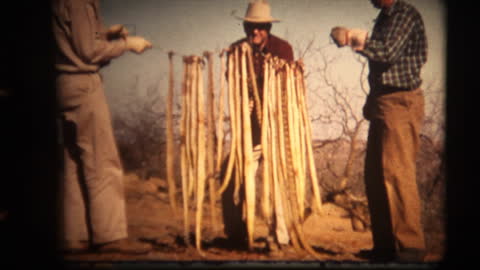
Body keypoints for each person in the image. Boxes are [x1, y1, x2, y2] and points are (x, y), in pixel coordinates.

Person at [52, 0, 153, 254]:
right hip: (82, 82)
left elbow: (76, 39)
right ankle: (110, 236)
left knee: (73, 162)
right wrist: (127, 45)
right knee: (102, 162)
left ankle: (74, 235)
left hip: (61, 82)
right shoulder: (79, 3)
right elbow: (89, 51)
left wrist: (106, 34)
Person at [338, 0, 428, 262]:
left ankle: (410, 247)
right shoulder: (385, 18)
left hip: (400, 101)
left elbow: (387, 51)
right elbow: (382, 67)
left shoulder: (404, 14)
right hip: (383, 102)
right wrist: (372, 100)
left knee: (397, 173)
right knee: (375, 176)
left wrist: (349, 37)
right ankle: (385, 247)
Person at [221, 0, 294, 252]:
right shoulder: (235, 51)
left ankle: (279, 237)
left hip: (275, 125)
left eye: (260, 27)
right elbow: (232, 84)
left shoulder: (283, 49)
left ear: (268, 28)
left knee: (277, 177)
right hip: (248, 128)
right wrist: (245, 103)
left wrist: (268, 105)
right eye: (250, 27)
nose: (255, 32)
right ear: (244, 26)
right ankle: (238, 233)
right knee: (236, 176)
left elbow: (288, 87)